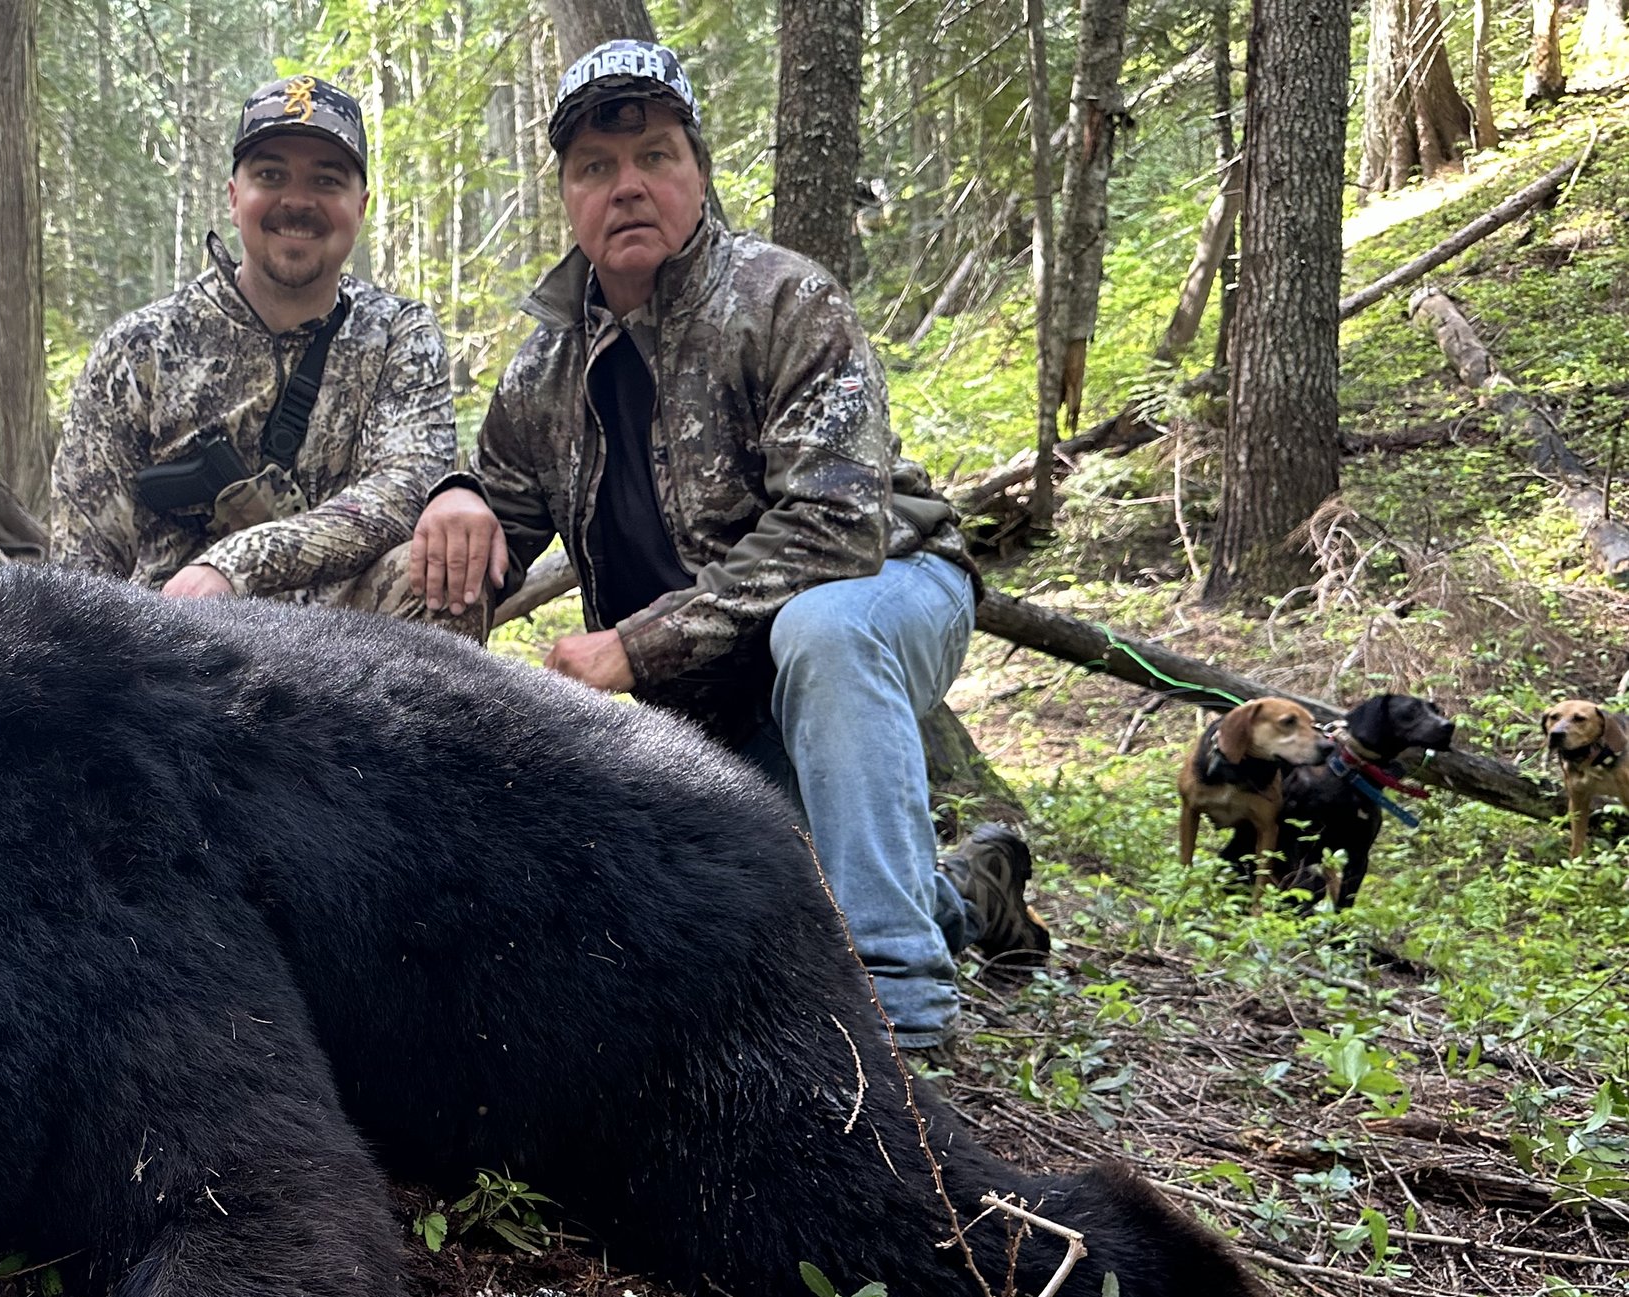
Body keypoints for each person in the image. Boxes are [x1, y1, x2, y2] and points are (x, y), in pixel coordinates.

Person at [406, 40, 1046, 1049]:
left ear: (697, 171)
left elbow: (835, 528)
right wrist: (453, 509)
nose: (627, 187)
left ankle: (906, 1009)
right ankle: (966, 895)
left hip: (887, 589)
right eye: (594, 168)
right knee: (758, 909)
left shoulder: (786, 298)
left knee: (826, 633)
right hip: (715, 695)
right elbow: (487, 547)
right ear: (567, 198)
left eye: (655, 156)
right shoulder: (538, 372)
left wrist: (631, 649)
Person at [52, 76, 456, 616]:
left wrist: (235, 563)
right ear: (234, 195)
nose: (297, 201)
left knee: (434, 567)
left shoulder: (398, 335)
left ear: (360, 207)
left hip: (347, 660)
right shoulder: (138, 351)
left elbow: (407, 488)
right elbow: (80, 565)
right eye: (271, 175)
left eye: (326, 180)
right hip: (176, 664)